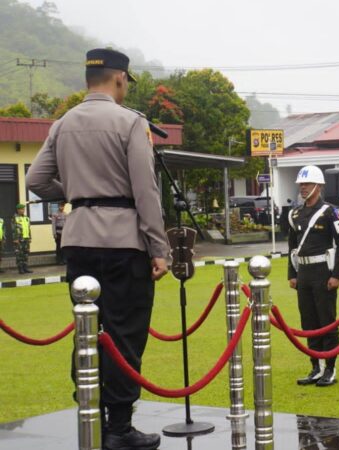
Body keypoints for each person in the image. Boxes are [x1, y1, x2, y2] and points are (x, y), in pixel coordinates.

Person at [26, 48, 167, 450]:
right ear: (120, 78)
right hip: (123, 242)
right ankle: (120, 427)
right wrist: (159, 247)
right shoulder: (130, 123)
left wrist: (76, 195)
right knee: (125, 334)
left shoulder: (63, 123)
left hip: (78, 240)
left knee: (88, 330)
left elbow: (37, 178)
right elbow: (145, 191)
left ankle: (90, 412)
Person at [287, 165, 339, 387]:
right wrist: (292, 273)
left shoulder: (331, 212)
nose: (303, 188)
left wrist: (337, 275)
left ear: (318, 186)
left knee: (327, 321)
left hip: (323, 272)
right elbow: (292, 245)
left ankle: (329, 368)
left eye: (307, 184)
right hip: (303, 273)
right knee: (308, 322)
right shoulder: (295, 213)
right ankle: (315, 366)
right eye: (301, 184)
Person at [12, 204, 33, 274]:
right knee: (19, 254)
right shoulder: (15, 218)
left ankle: (25, 267)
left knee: (26, 253)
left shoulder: (27, 218)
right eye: (21, 209)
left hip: (26, 239)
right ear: (18, 210)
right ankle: (20, 269)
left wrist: (30, 237)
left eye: (23, 209)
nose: (22, 210)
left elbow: (28, 228)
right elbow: (13, 229)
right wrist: (15, 238)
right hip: (19, 239)